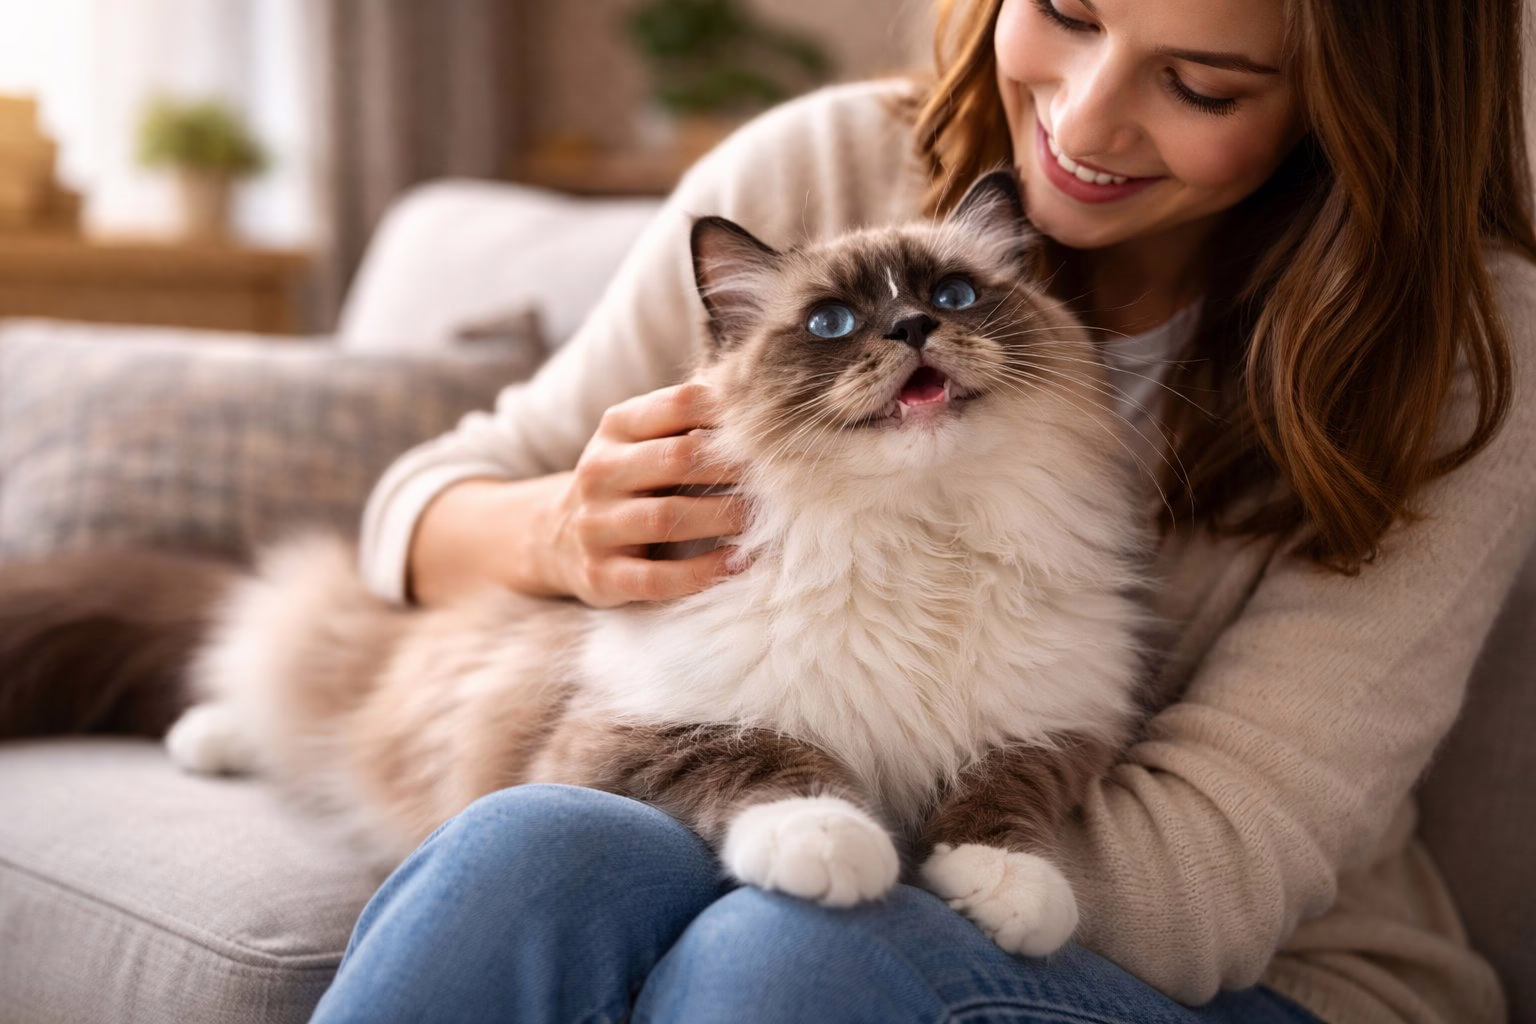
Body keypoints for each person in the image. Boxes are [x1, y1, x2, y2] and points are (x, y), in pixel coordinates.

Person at [312, 0, 1536, 1021]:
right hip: (792, 818)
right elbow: (417, 509)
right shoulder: (820, 168)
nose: (1088, 115)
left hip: (1256, 968)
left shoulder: (1467, 344)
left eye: (1204, 86)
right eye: (1065, 10)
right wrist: (557, 534)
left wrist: (815, 833)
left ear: (1355, 104)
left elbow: (1216, 867)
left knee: (787, 954)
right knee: (527, 853)